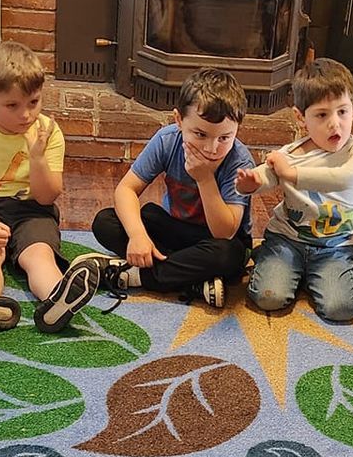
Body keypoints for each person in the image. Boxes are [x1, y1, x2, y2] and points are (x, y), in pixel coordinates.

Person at [0, 41, 116, 332]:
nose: (26, 115)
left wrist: (37, 159)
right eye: (13, 105)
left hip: (32, 209)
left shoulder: (48, 132)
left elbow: (47, 196)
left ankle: (58, 301)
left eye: (33, 102)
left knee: (39, 255)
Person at [91, 66, 254, 309]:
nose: (211, 148)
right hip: (175, 230)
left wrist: (204, 178)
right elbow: (126, 189)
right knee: (106, 221)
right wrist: (138, 236)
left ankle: (139, 276)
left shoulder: (239, 161)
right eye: (200, 134)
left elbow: (225, 233)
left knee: (228, 255)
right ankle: (192, 279)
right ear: (178, 120)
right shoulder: (167, 140)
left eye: (224, 138)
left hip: (216, 240)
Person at [237, 59, 353, 323]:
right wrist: (250, 183)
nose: (335, 124)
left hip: (336, 246)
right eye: (322, 115)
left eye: (342, 112)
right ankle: (277, 263)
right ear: (300, 117)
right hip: (288, 241)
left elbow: (346, 178)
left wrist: (290, 174)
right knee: (268, 297)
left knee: (341, 309)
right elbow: (265, 175)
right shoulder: (289, 155)